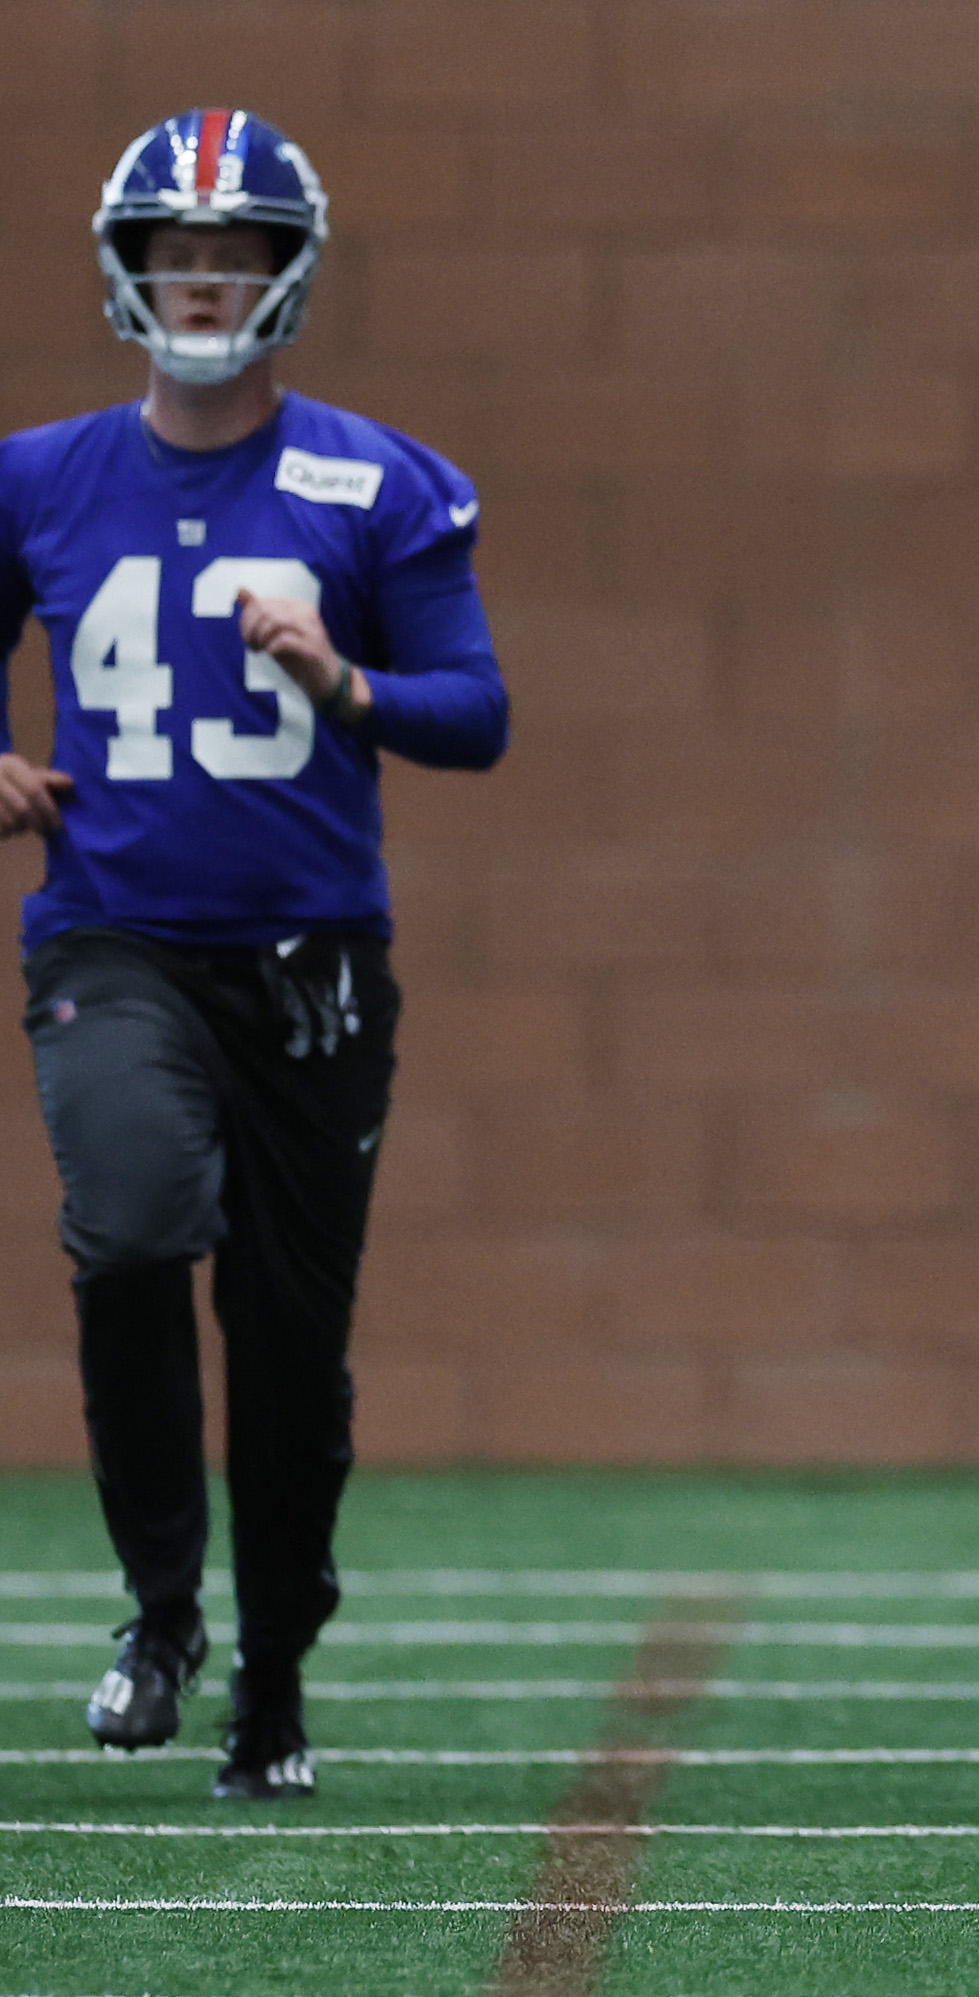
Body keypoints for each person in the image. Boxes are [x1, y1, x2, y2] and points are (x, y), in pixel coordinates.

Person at [0, 109, 510, 1797]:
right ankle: (159, 1611)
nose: (201, 278)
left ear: (286, 274)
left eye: (231, 253)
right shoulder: (41, 474)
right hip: (114, 933)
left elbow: (476, 710)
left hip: (311, 962)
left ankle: (272, 1669)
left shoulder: (376, 480)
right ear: (128, 268)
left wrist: (344, 682)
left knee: (290, 1336)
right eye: (175, 251)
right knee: (134, 1216)